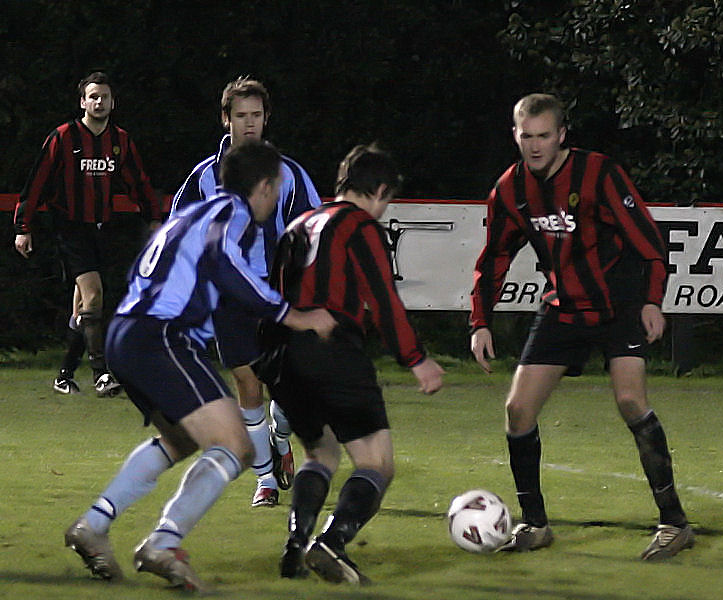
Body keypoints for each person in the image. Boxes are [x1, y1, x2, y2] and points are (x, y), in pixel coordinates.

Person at [63, 139, 336, 592]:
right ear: (264, 186)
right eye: (276, 189)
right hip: (161, 337)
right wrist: (293, 315)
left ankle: (94, 524)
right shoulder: (231, 214)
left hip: (127, 333)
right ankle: (164, 544)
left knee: (180, 438)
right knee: (237, 446)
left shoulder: (192, 212)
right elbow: (225, 265)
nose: (275, 200)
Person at [470, 93, 695, 560]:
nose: (534, 146)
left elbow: (651, 243)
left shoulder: (599, 174)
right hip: (563, 307)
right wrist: (480, 321)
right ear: (515, 135)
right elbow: (494, 258)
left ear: (561, 136)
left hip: (617, 305)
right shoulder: (509, 190)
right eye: (526, 136)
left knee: (631, 400)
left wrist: (652, 301)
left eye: (544, 136)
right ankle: (535, 524)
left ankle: (674, 522)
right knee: (517, 410)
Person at [270, 144, 445, 585]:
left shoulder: (299, 223)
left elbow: (271, 293)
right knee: (377, 464)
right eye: (387, 199)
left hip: (283, 356)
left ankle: (296, 542)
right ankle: (331, 542)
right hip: (333, 351)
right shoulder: (360, 225)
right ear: (380, 190)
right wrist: (416, 358)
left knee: (322, 452)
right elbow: (383, 298)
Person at [172, 76, 320, 507]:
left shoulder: (287, 173)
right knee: (246, 382)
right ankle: (266, 480)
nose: (249, 123)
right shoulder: (204, 176)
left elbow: (313, 226)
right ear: (226, 120)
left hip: (278, 296)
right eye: (241, 116)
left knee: (289, 388)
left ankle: (281, 432)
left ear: (266, 119)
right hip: (229, 299)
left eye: (256, 115)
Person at [14, 71, 162, 397]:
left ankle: (64, 375)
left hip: (101, 228)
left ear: (113, 102)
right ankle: (102, 373)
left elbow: (138, 182)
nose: (99, 102)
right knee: (94, 294)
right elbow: (36, 183)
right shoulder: (63, 137)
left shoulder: (120, 141)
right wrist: (23, 227)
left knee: (84, 306)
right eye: (93, 96)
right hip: (69, 227)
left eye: (104, 97)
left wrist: (154, 219)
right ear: (83, 102)